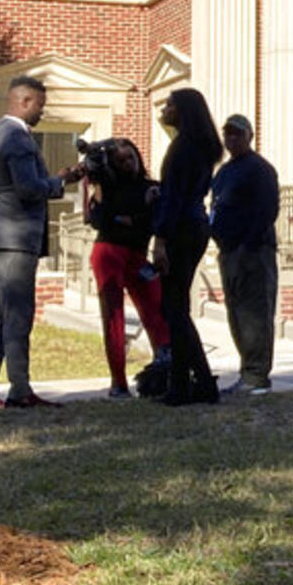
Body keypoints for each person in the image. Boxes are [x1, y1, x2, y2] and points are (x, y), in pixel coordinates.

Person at [0, 75, 85, 410]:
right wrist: (59, 181)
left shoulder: (1, 133)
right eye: (40, 106)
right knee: (18, 314)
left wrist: (55, 180)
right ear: (25, 101)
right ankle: (20, 390)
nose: (41, 113)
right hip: (13, 236)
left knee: (0, 315)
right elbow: (28, 188)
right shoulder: (17, 137)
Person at [149, 87, 222, 405]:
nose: (163, 110)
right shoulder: (203, 148)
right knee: (177, 307)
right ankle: (181, 384)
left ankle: (201, 383)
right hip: (196, 225)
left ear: (184, 111)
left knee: (173, 308)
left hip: (180, 229)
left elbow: (174, 199)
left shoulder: (182, 149)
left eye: (169, 105)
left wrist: (160, 240)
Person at [83, 138, 171, 398]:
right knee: (114, 317)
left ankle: (164, 369)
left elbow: (154, 221)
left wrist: (124, 218)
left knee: (155, 309)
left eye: (131, 157)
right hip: (108, 253)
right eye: (121, 161)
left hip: (138, 255)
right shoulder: (107, 187)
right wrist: (97, 188)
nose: (128, 164)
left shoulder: (152, 187)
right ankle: (118, 382)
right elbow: (98, 220)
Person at [210, 114, 281, 396]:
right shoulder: (224, 172)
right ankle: (246, 370)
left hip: (253, 252)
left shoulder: (259, 169)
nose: (232, 139)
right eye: (227, 134)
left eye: (237, 134)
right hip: (227, 251)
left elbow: (267, 210)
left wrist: (248, 244)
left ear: (249, 136)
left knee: (255, 313)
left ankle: (257, 376)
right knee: (236, 313)